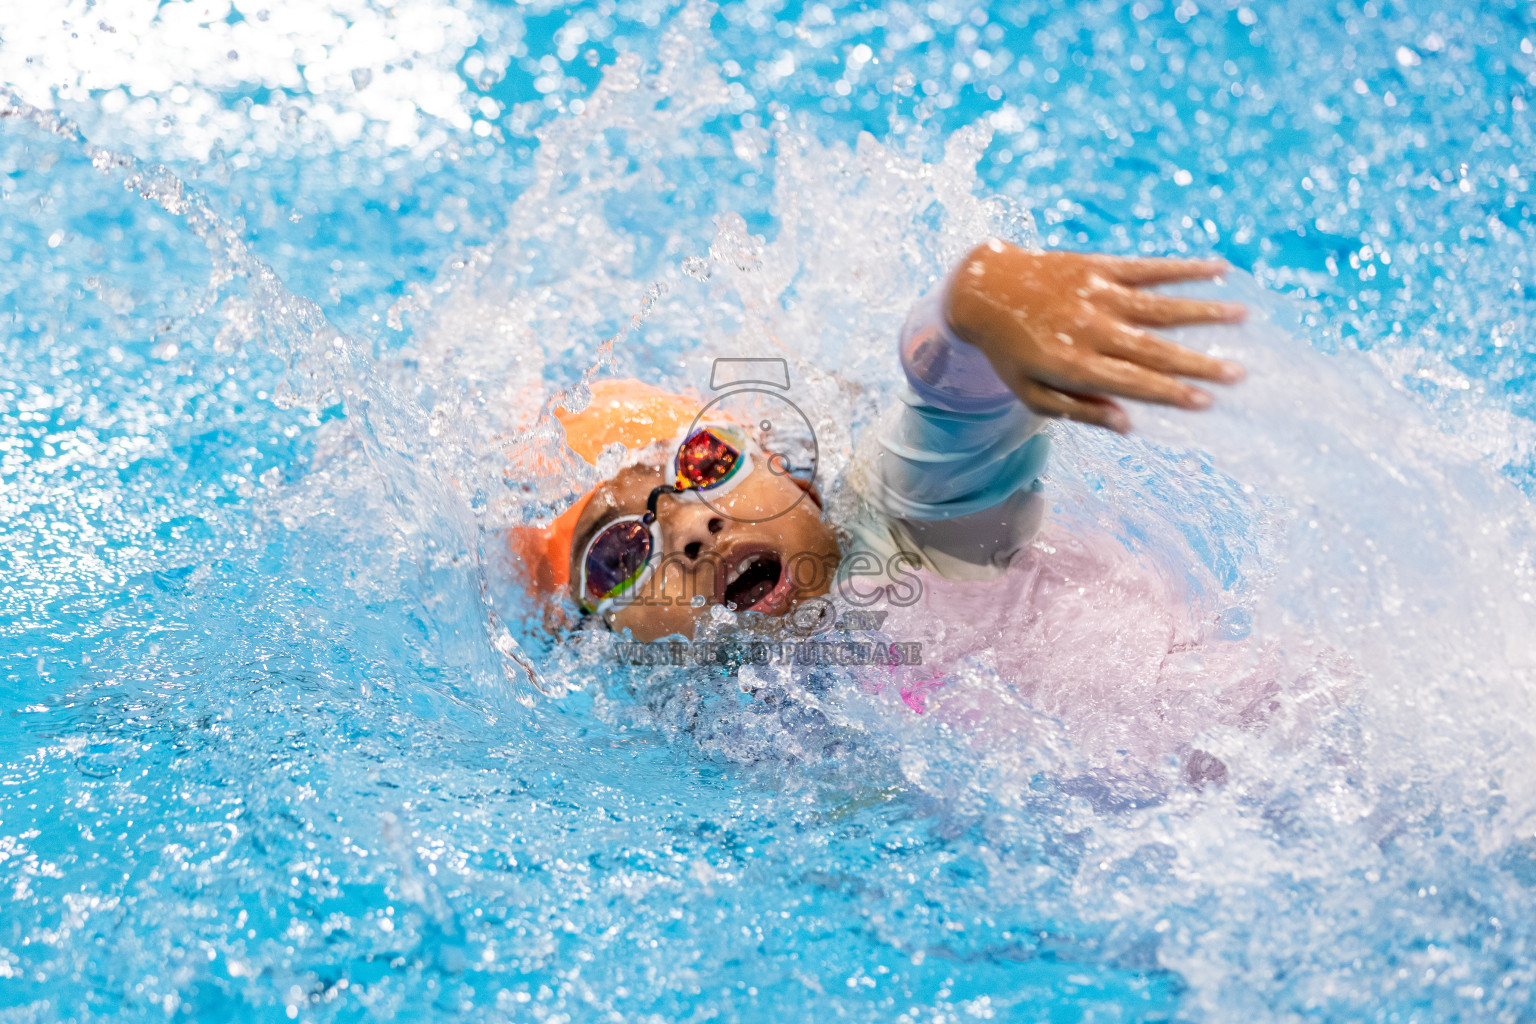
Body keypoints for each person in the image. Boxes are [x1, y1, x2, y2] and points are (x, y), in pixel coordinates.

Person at [510, 238, 1246, 643]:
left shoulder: (893, 528)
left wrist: (983, 306)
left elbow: (949, 412)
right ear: (606, 640)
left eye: (706, 463)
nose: (693, 526)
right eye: (617, 554)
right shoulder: (735, 722)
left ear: (791, 476)